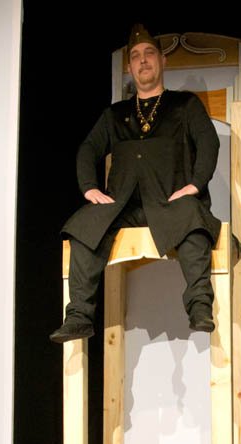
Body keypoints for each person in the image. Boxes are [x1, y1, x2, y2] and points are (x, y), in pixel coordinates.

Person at [51, 23, 222, 343]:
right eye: (136, 56)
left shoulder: (184, 105)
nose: (143, 60)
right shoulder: (115, 115)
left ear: (162, 61)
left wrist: (195, 184)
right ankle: (79, 315)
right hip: (123, 205)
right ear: (130, 67)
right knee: (84, 224)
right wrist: (90, 187)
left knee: (193, 217)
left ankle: (200, 305)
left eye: (149, 53)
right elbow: (88, 149)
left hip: (169, 202)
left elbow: (208, 142)